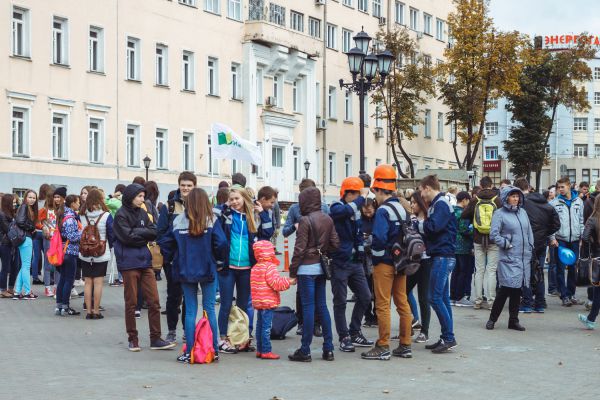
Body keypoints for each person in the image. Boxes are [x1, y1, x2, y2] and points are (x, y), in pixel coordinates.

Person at [159, 188, 228, 363]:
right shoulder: (211, 220)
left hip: (185, 269)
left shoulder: (178, 221)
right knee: (209, 309)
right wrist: (219, 262)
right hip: (207, 269)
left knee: (190, 310)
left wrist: (173, 259)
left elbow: (165, 243)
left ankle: (189, 351)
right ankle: (213, 349)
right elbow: (221, 243)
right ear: (206, 203)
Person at [113, 183, 175, 351]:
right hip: (128, 263)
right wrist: (142, 234)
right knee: (131, 302)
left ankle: (155, 338)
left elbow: (154, 231)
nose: (143, 199)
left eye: (143, 196)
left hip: (145, 261)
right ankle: (132, 338)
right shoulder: (120, 215)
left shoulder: (143, 212)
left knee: (154, 301)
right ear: (130, 196)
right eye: (139, 196)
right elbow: (127, 237)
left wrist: (139, 233)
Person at [361, 165, 412, 360]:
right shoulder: (402, 207)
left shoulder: (383, 211)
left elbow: (380, 238)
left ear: (380, 189)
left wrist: (373, 254)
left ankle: (383, 345)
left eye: (375, 191)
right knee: (402, 302)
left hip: (384, 262)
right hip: (401, 262)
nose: (375, 195)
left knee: (382, 304)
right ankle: (405, 344)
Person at [288, 187, 339, 362]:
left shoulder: (304, 220)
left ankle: (305, 349)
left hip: (305, 269)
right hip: (320, 268)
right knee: (322, 306)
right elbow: (335, 243)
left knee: (308, 308)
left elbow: (299, 249)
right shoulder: (328, 218)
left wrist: (292, 271)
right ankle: (329, 348)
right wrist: (322, 251)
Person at [216, 187, 264, 354]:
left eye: (237, 198)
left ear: (244, 198)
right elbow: (214, 217)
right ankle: (223, 338)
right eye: (232, 199)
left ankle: (242, 338)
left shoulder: (253, 217)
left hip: (247, 268)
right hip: (227, 268)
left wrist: (263, 214)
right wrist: (225, 206)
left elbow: (267, 234)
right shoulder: (226, 215)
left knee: (243, 306)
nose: (235, 202)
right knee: (226, 305)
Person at [329, 177, 374, 353]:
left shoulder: (353, 210)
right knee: (340, 301)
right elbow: (345, 212)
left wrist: (361, 251)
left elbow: (357, 232)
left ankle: (354, 332)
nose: (358, 198)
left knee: (365, 296)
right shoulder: (336, 207)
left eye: (359, 194)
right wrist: (362, 198)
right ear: (346, 193)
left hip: (355, 263)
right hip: (339, 262)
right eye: (355, 194)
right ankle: (344, 337)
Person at [282, 178, 327, 337]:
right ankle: (302, 323)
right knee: (303, 294)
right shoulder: (295, 209)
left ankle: (317, 325)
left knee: (318, 298)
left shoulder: (324, 208)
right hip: (303, 256)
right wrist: (295, 226)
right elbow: (285, 231)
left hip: (319, 256)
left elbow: (329, 229)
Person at [418, 175, 458, 353]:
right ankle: (446, 336)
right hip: (443, 255)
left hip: (442, 256)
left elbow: (433, 227)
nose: (421, 195)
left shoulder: (440, 204)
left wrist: (418, 225)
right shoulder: (439, 203)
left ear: (427, 188)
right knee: (442, 298)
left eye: (421, 190)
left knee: (434, 298)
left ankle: (449, 338)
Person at [486, 186, 533, 331]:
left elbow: (529, 231)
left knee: (517, 290)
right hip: (509, 257)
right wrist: (506, 244)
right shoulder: (499, 214)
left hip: (523, 257)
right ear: (506, 197)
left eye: (517, 196)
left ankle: (513, 320)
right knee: (505, 289)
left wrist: (531, 246)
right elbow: (493, 235)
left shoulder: (523, 212)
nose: (516, 199)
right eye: (513, 196)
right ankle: (492, 319)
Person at [157, 172, 196, 343]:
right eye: (183, 185)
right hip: (174, 260)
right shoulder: (170, 206)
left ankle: (188, 330)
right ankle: (171, 330)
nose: (186, 188)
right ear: (179, 185)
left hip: (193, 259)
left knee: (190, 296)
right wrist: (169, 254)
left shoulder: (199, 205)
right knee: (173, 296)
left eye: (189, 185)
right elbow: (161, 233)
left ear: (194, 186)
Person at [514, 178, 560, 313]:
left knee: (526, 273)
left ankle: (527, 303)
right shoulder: (546, 204)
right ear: (529, 187)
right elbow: (557, 224)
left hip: (526, 243)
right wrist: (546, 233)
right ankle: (540, 303)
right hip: (541, 243)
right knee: (539, 271)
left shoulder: (522, 204)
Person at [462, 176, 502, 310]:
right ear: (491, 185)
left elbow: (464, 215)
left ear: (481, 185)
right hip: (493, 239)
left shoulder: (475, 199)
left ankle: (478, 301)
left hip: (477, 239)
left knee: (479, 270)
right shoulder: (497, 200)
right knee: (491, 270)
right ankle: (491, 302)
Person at [251, 240, 294, 360]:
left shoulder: (255, 267)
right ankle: (266, 350)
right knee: (266, 328)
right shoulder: (270, 267)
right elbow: (275, 283)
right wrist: (288, 282)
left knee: (259, 326)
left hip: (259, 302)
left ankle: (259, 350)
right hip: (268, 302)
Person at [79, 189, 114, 319]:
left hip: (85, 252)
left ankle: (88, 312)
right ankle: (96, 311)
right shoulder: (106, 215)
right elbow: (112, 234)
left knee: (88, 282)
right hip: (101, 252)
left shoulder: (82, 215)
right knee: (98, 282)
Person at [550, 177, 584, 306]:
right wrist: (552, 238)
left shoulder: (579, 201)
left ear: (569, 186)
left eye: (562, 187)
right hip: (560, 240)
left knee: (573, 268)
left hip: (574, 240)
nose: (560, 190)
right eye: (558, 187)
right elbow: (551, 223)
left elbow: (581, 221)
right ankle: (564, 296)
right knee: (560, 268)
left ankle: (571, 294)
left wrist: (582, 237)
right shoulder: (554, 203)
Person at [407, 191, 433, 343]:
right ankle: (408, 326)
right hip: (412, 262)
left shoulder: (429, 220)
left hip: (425, 261)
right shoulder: (411, 219)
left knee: (424, 297)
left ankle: (425, 331)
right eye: (410, 202)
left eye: (414, 202)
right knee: (402, 293)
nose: (411, 205)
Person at [53, 188, 82, 314]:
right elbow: (72, 236)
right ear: (72, 203)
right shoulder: (70, 217)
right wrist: (82, 233)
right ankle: (65, 306)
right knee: (68, 280)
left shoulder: (62, 214)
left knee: (63, 279)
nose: (79, 204)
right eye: (78, 202)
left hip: (62, 251)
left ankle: (59, 306)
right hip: (69, 252)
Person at [579, 195, 600, 329]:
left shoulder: (593, 219)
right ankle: (591, 318)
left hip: (597, 257)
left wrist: (588, 251)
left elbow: (585, 237)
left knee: (597, 291)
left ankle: (591, 319)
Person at [450, 191, 475, 307]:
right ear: (464, 200)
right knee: (463, 272)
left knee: (456, 271)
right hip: (464, 246)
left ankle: (453, 296)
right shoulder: (463, 213)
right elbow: (464, 229)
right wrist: (474, 230)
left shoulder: (452, 211)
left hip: (453, 245)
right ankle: (460, 297)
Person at [13, 189, 39, 300]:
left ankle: (17, 292)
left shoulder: (27, 208)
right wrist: (32, 227)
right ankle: (28, 292)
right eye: (30, 197)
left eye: (34, 198)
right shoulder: (24, 207)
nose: (32, 200)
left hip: (24, 239)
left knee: (24, 266)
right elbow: (20, 221)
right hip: (25, 238)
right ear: (25, 198)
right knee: (26, 266)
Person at [361, 198, 377, 327]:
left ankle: (377, 315)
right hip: (363, 258)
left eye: (370, 211)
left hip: (375, 257)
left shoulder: (378, 218)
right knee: (365, 288)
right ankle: (368, 316)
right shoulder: (360, 221)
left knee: (377, 288)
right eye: (365, 212)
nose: (367, 214)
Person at [31, 184, 51, 285]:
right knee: (48, 256)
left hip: (35, 231)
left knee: (36, 256)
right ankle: (48, 278)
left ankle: (35, 277)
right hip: (45, 231)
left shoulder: (36, 202)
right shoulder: (48, 203)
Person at [0, 194, 17, 298]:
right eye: (13, 202)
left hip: (9, 243)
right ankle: (2, 290)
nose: (15, 204)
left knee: (11, 267)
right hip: (4, 243)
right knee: (5, 268)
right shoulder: (2, 214)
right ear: (8, 203)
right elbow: (8, 229)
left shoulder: (10, 214)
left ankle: (8, 289)